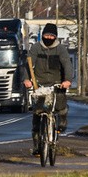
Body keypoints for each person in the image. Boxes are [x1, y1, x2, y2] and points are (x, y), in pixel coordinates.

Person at [21, 23, 73, 155]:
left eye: (51, 35)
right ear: (42, 35)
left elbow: (67, 64)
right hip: (39, 84)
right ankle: (38, 146)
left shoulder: (61, 49)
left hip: (57, 83)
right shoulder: (36, 48)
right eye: (46, 35)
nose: (48, 37)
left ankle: (62, 121)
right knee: (37, 113)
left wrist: (67, 80)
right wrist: (26, 79)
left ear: (55, 37)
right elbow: (28, 64)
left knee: (60, 105)